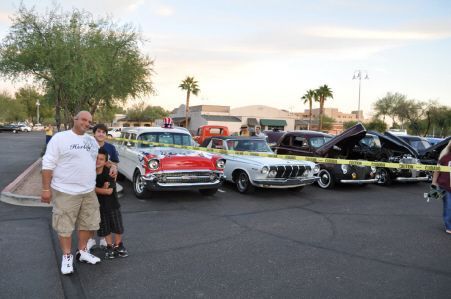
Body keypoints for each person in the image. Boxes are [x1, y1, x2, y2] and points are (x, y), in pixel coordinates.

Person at [41, 111, 101, 275]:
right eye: (83, 119)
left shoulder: (91, 140)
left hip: (88, 191)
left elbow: (95, 161)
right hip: (66, 191)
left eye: (89, 121)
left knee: (88, 223)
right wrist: (46, 189)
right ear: (74, 119)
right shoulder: (60, 138)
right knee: (65, 226)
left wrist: (113, 165)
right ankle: (67, 256)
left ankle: (82, 252)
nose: (87, 123)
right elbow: (47, 164)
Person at [86, 123, 120, 250]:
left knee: (105, 213)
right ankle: (90, 239)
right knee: (91, 213)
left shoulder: (110, 148)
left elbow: (115, 163)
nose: (101, 134)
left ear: (106, 135)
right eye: (98, 131)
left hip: (105, 182)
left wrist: (114, 167)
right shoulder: (89, 147)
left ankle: (103, 238)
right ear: (94, 133)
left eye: (103, 132)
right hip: (91, 181)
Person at [95, 148, 128, 258]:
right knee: (105, 228)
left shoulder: (109, 172)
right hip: (99, 207)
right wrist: (102, 189)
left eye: (101, 159)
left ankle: (118, 245)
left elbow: (109, 191)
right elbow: (101, 190)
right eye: (96, 158)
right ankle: (109, 246)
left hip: (113, 205)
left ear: (105, 161)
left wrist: (94, 189)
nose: (98, 161)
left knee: (117, 226)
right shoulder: (90, 174)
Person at [432, 140, 451, 234]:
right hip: (445, 187)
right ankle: (449, 226)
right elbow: (437, 171)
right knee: (448, 206)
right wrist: (434, 183)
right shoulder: (444, 157)